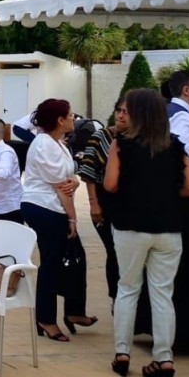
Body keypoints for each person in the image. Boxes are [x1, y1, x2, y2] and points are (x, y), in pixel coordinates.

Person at [102, 89, 189, 377]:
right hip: (168, 227)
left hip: (130, 225)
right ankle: (164, 358)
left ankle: (122, 353)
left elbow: (111, 184)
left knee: (128, 288)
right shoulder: (175, 145)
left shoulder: (122, 144)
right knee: (162, 293)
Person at [20, 98, 93, 342]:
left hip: (51, 205)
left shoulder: (56, 143)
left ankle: (74, 311)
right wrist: (72, 217)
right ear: (60, 120)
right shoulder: (45, 145)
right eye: (71, 115)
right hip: (44, 207)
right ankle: (46, 318)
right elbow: (61, 187)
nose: (74, 119)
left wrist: (75, 180)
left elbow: (67, 177)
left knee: (75, 257)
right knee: (52, 262)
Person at [76, 99, 127, 299]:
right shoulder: (102, 136)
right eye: (118, 110)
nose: (121, 115)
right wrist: (93, 204)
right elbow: (88, 172)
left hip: (130, 204)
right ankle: (116, 298)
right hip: (105, 202)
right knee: (114, 251)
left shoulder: (140, 138)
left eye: (126, 112)